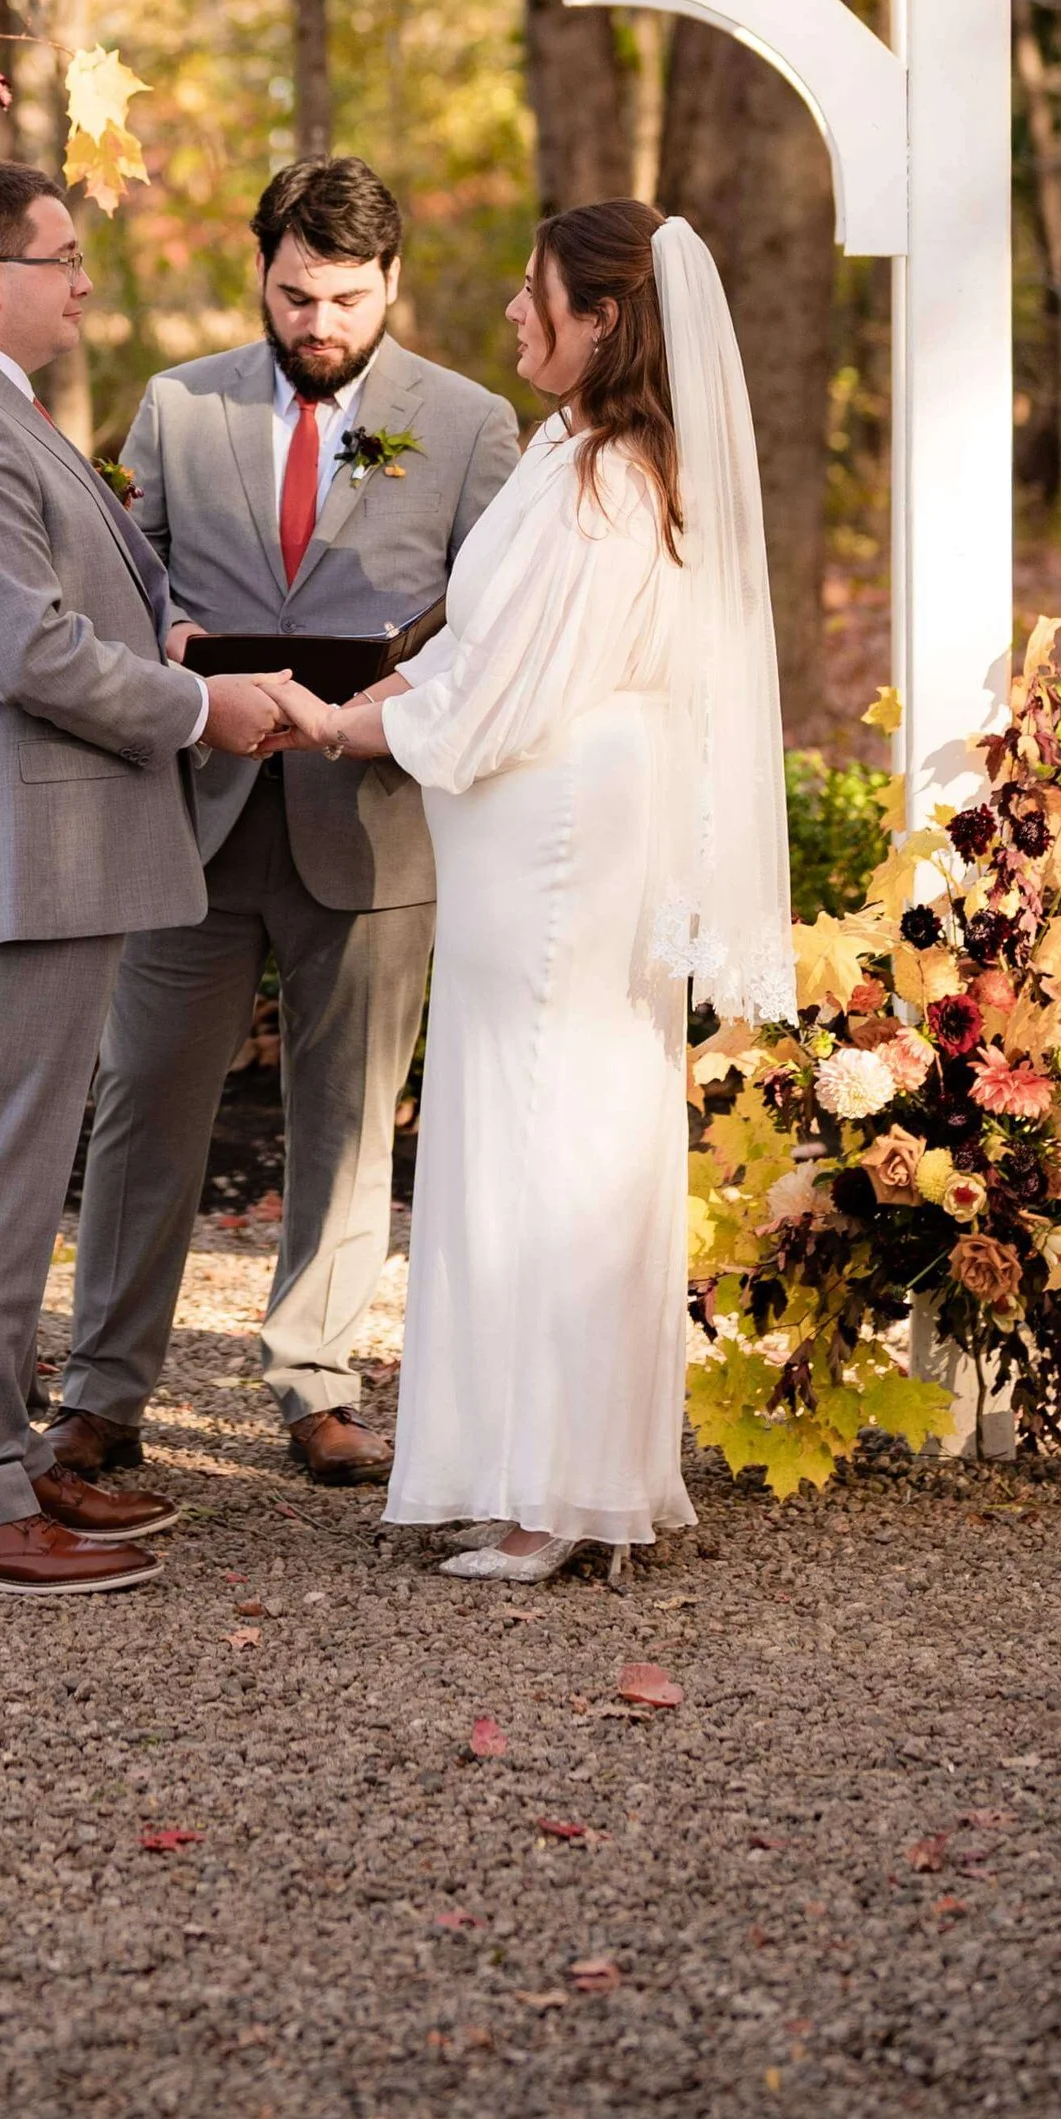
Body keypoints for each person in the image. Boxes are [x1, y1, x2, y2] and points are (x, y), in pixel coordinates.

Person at [262, 204, 793, 1581]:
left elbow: (512, 687)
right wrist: (391, 687)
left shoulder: (614, 478)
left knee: (557, 1131)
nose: (510, 308)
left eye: (535, 289)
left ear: (603, 319)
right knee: (538, 1116)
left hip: (561, 826)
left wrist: (339, 725)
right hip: (539, 817)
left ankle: (560, 1489)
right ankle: (547, 1464)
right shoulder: (575, 452)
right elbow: (488, 641)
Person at [0, 158, 291, 1599]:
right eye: (63, 257)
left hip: (44, 855)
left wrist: (157, 637)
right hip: (2, 861)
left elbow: (53, 608)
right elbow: (27, 652)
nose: (85, 281)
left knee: (22, 1172)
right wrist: (200, 708)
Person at [50, 156, 519, 1491]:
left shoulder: (473, 423)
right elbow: (111, 581)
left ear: (392, 284)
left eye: (348, 298)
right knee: (143, 1100)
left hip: (371, 815)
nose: (319, 322)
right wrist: (175, 642)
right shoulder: (176, 404)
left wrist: (398, 690)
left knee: (351, 1112)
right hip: (192, 808)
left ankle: (318, 1383)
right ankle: (101, 1394)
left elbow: (499, 625)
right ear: (260, 270)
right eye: (297, 291)